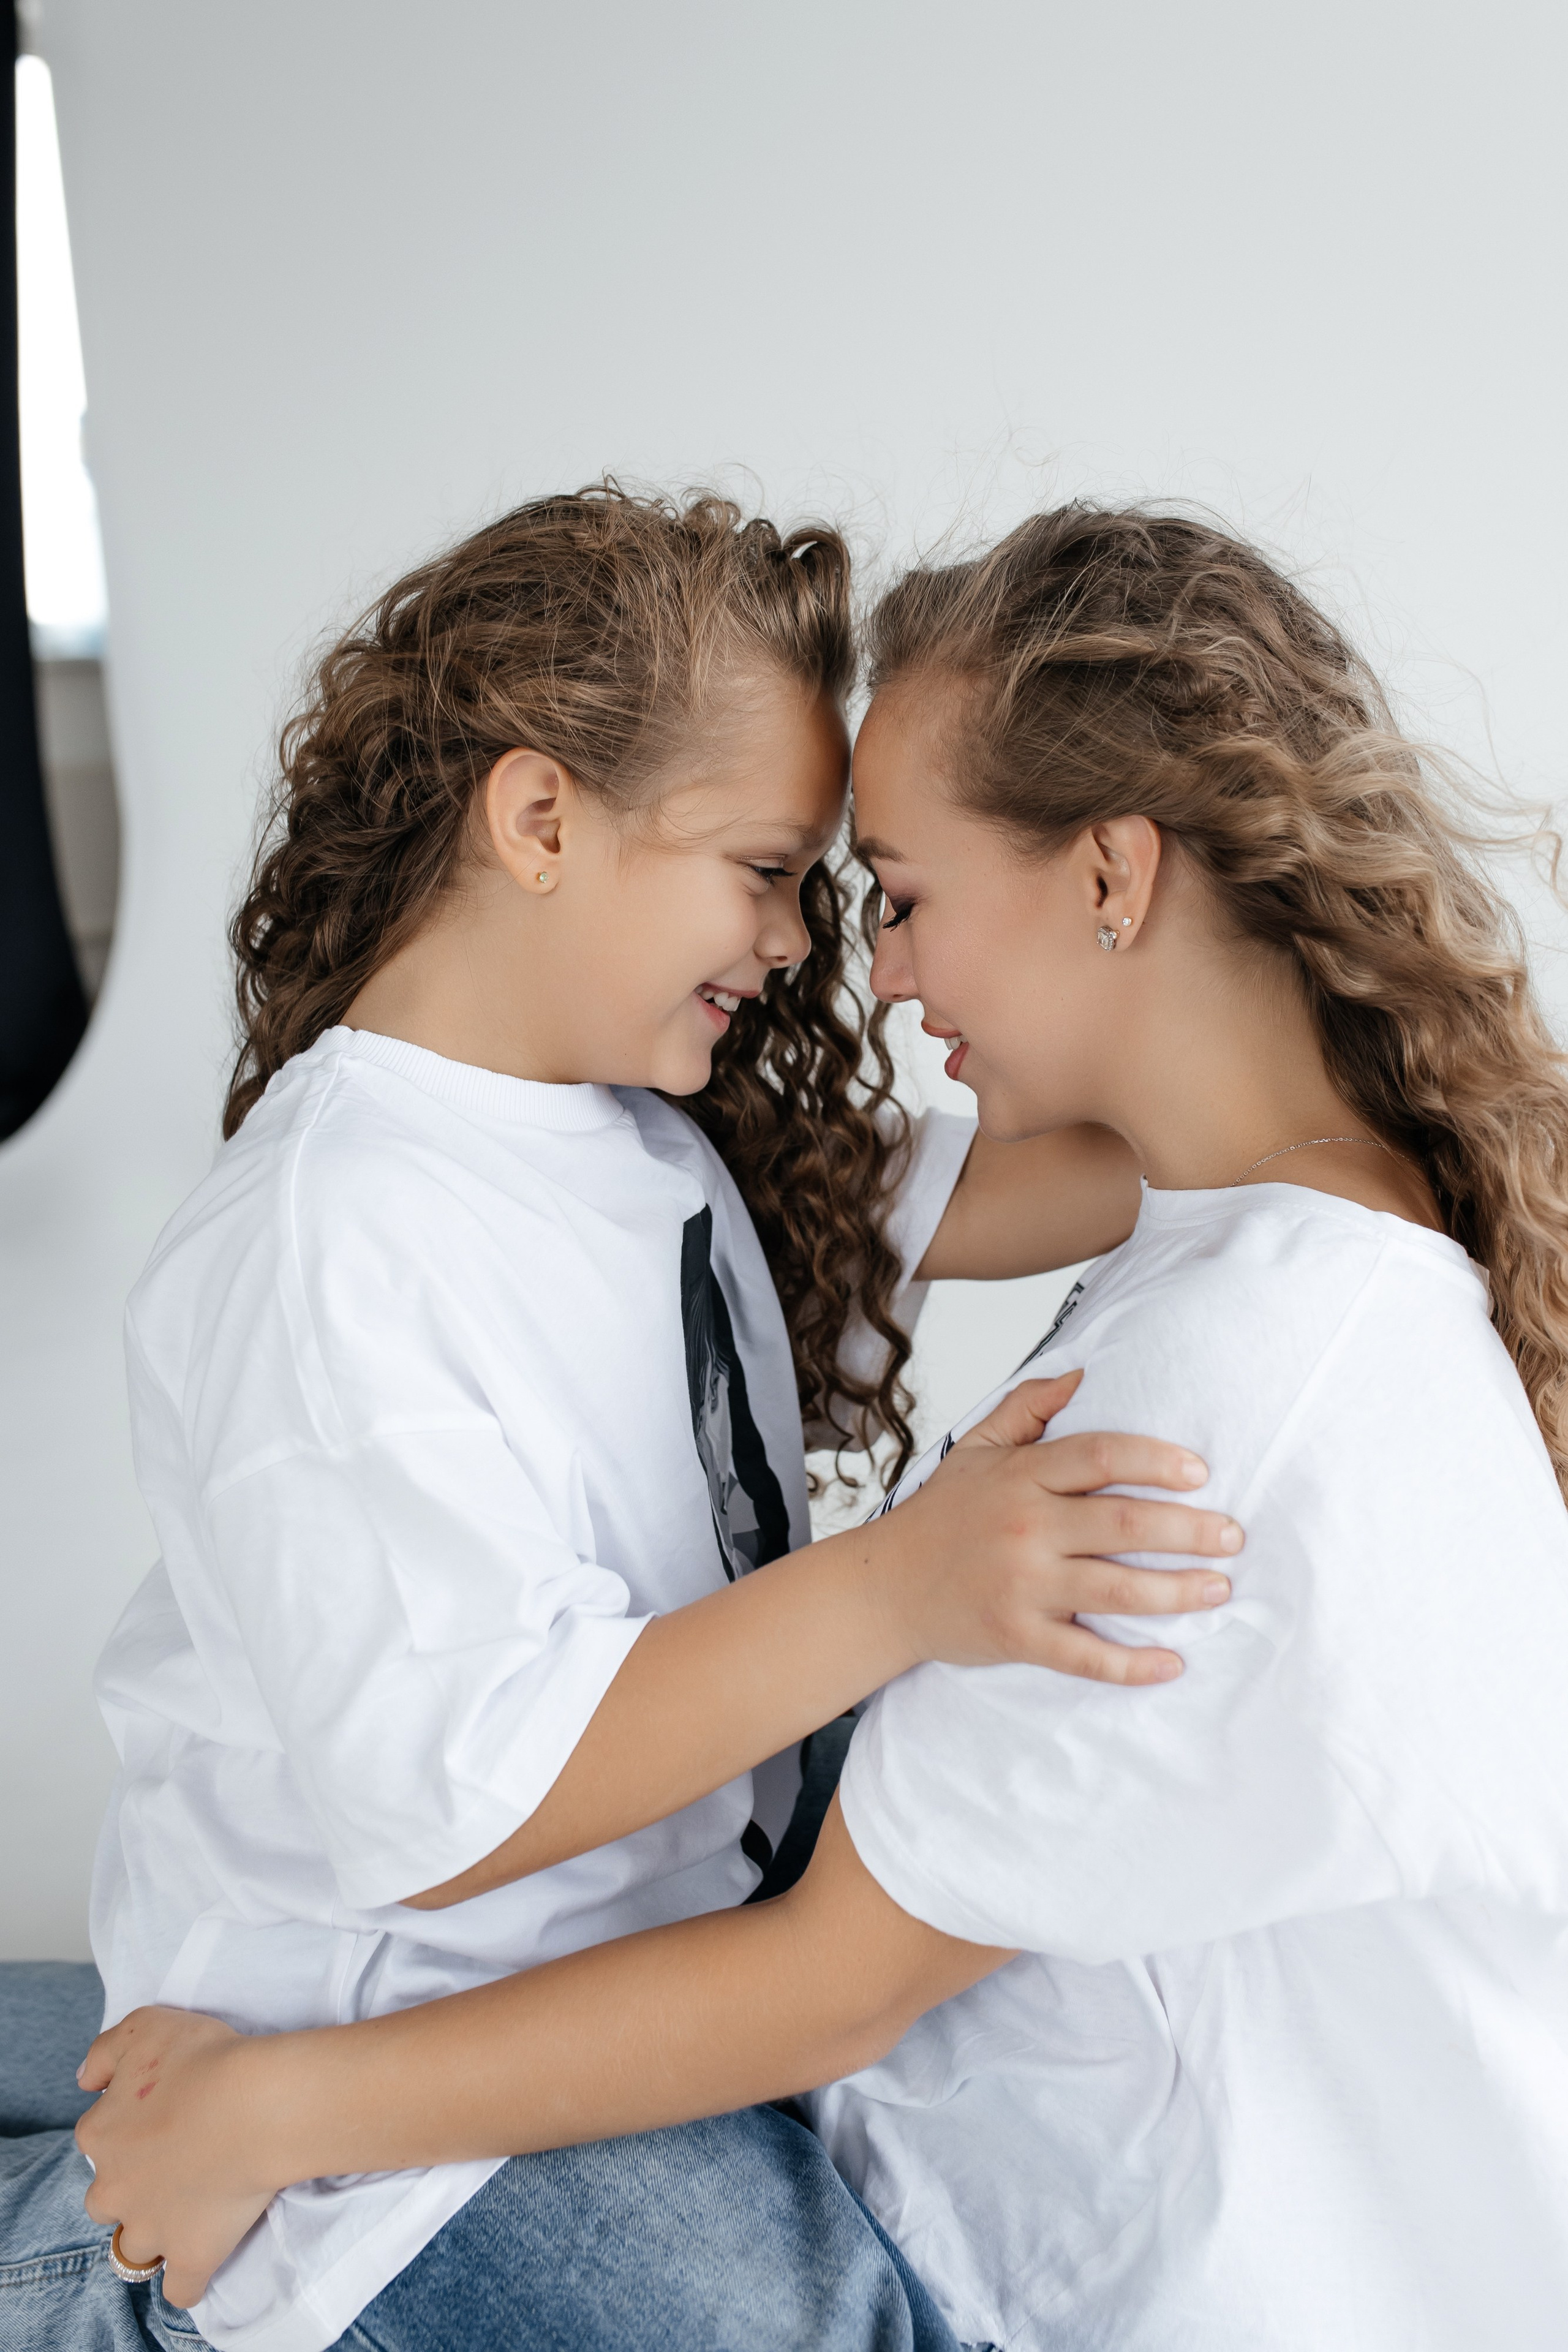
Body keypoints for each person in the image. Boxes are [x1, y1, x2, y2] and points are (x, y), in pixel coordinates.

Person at [79, 503, 1568, 2352]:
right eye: (786, 873)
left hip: (604, 1999)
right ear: (543, 824)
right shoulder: (342, 1234)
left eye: (888, 892)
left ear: (1113, 872)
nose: (834, 957)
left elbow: (1135, 1153)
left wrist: (1402, 1056)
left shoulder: (656, 1156)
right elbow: (458, 1791)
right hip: (404, 2067)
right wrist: (901, 1587)